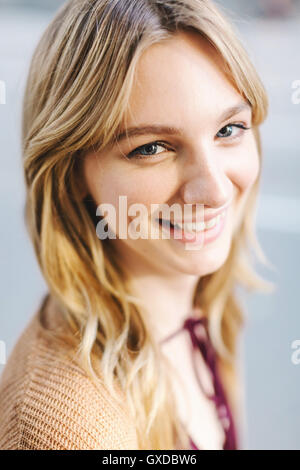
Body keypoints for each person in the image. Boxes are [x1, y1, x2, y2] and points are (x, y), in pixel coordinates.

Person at [0, 0, 273, 450]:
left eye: (228, 130)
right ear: (73, 177)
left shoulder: (206, 304)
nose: (215, 191)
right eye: (151, 148)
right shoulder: (65, 430)